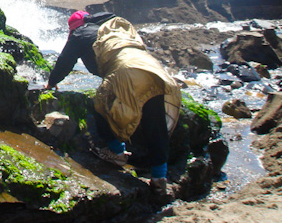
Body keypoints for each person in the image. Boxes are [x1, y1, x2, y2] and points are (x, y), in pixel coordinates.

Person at [45, 11, 182, 196]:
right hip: (153, 68)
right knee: (155, 123)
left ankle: (116, 153)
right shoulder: (113, 28)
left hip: (125, 71)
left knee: (101, 106)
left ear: (73, 29)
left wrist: (52, 82)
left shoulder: (80, 34)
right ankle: (159, 177)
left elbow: (65, 62)